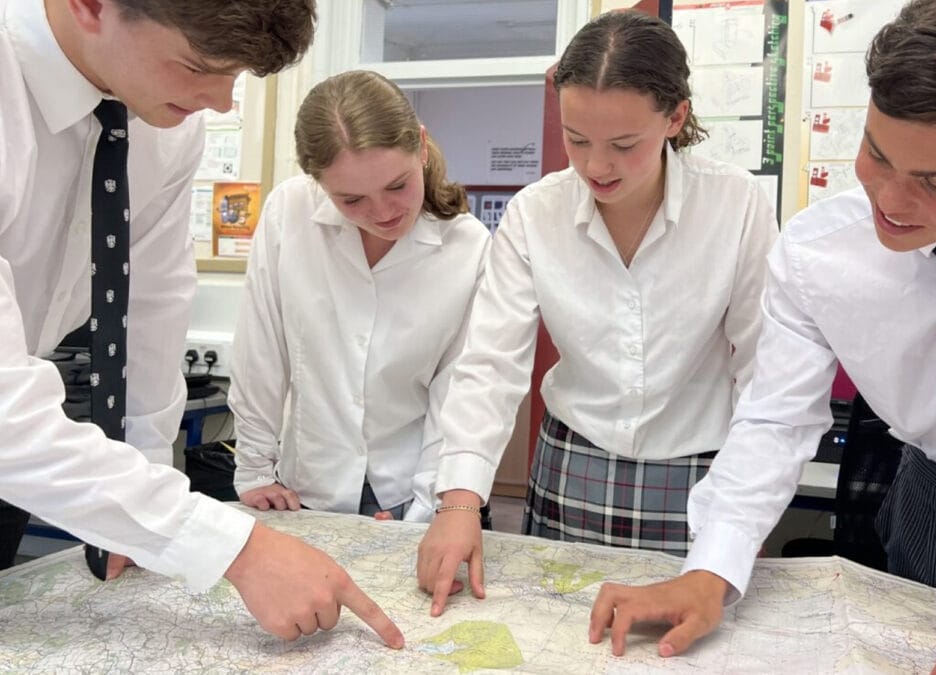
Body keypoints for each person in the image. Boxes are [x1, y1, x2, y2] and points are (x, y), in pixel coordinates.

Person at [586, 0, 936, 672]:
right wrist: (711, 566)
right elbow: (773, 418)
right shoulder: (818, 252)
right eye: (876, 154)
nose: (889, 200)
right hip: (929, 503)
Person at [0, 0, 402, 646]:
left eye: (235, 76)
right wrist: (231, 546)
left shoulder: (161, 122)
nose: (219, 102)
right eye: (198, 67)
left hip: (26, 459)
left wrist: (142, 493)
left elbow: (151, 309)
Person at [417, 9, 778, 616]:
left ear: (676, 117)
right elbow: (489, 365)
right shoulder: (537, 213)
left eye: (624, 144)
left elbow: (763, 371)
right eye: (577, 140)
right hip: (572, 468)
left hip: (698, 476)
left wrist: (739, 525)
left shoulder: (735, 205)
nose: (596, 167)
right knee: (553, 636)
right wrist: (458, 503)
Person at [229, 70, 490, 523]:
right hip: (304, 488)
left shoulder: (467, 247)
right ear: (318, 183)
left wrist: (426, 511)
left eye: (397, 186)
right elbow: (261, 351)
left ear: (421, 146)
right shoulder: (289, 212)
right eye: (351, 200)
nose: (383, 212)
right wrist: (253, 468)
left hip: (412, 488)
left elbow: (457, 393)